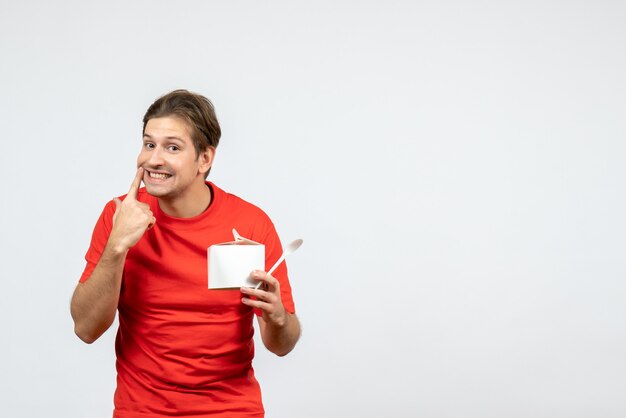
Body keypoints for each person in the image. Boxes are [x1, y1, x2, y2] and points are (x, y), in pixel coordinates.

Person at [70, 90, 301, 418]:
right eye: (149, 144)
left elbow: (282, 344)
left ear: (205, 159)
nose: (153, 159)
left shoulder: (251, 223)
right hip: (141, 411)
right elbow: (85, 329)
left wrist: (278, 317)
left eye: (172, 147)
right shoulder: (119, 214)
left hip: (232, 411)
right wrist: (117, 245)